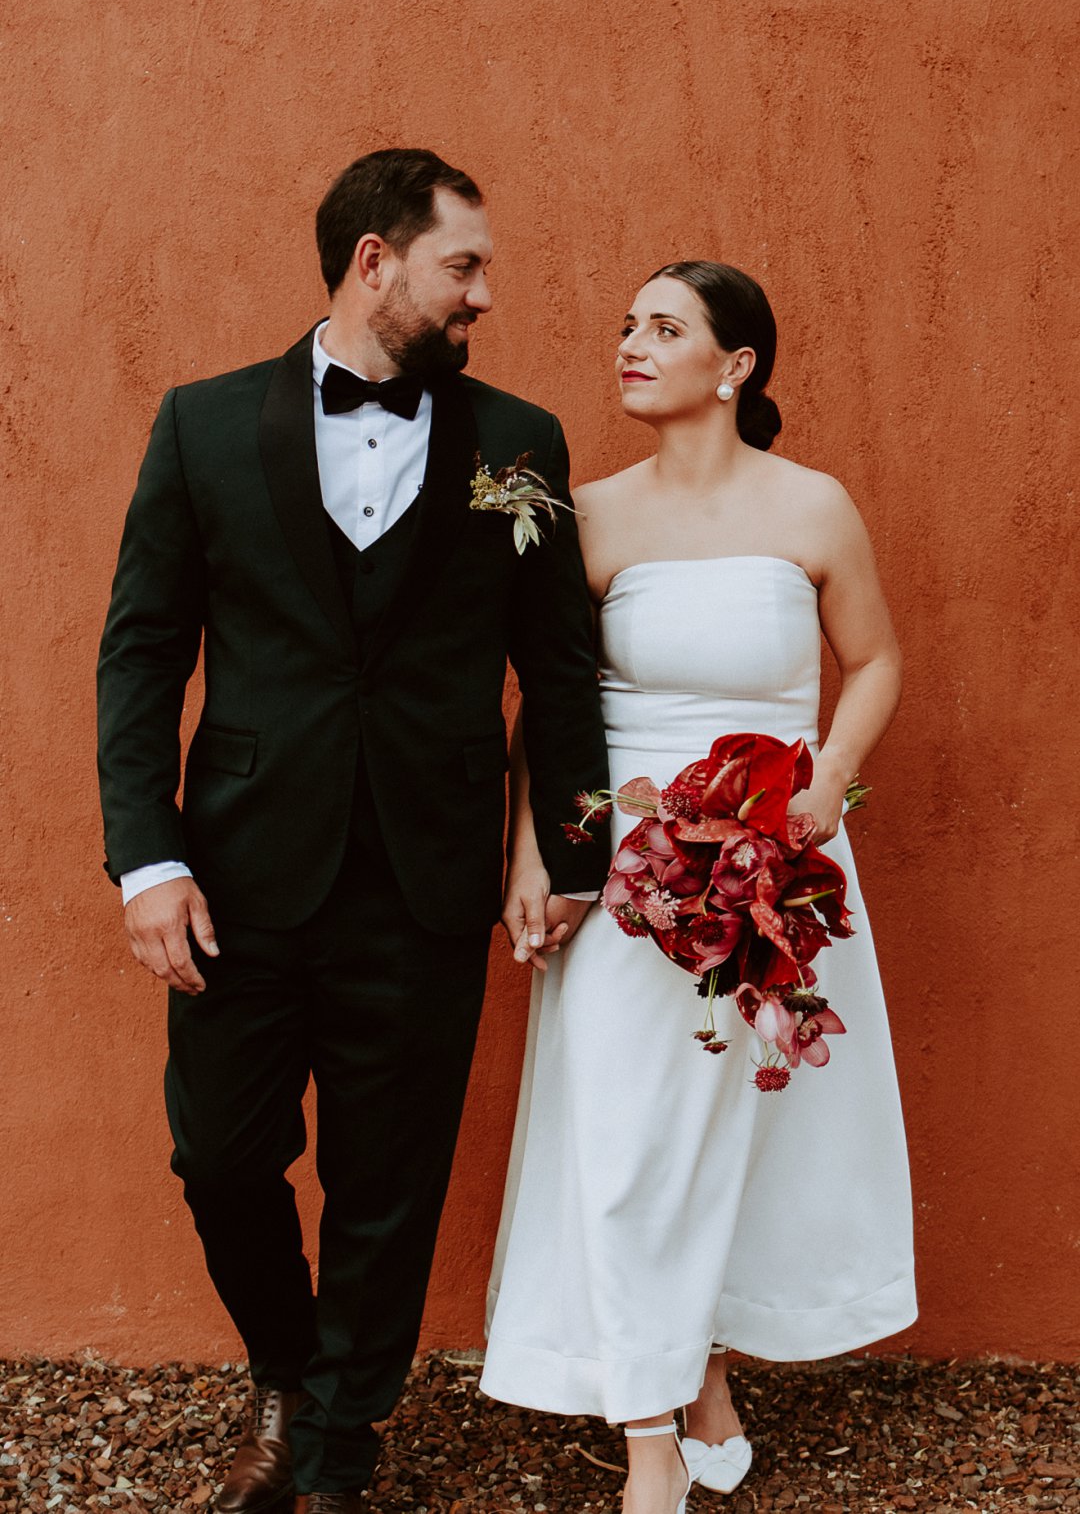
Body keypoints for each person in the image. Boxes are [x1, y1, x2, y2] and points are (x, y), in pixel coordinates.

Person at [96, 148, 610, 1514]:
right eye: (463, 266)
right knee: (220, 1153)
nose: (484, 294)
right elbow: (143, 651)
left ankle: (333, 1447)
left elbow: (558, 664)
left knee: (388, 1178)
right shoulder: (203, 425)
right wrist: (148, 857)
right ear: (374, 261)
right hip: (240, 871)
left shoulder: (520, 442)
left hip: (426, 872)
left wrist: (571, 850)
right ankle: (288, 1368)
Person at [481, 261, 917, 1514]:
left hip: (779, 860)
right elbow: (550, 708)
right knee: (625, 1136)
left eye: (664, 328)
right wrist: (533, 855)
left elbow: (876, 659)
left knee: (743, 1127)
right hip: (631, 870)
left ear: (736, 366)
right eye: (627, 324)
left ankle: (705, 1360)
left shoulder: (814, 505)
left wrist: (828, 779)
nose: (631, 343)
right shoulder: (589, 514)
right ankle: (647, 1432)